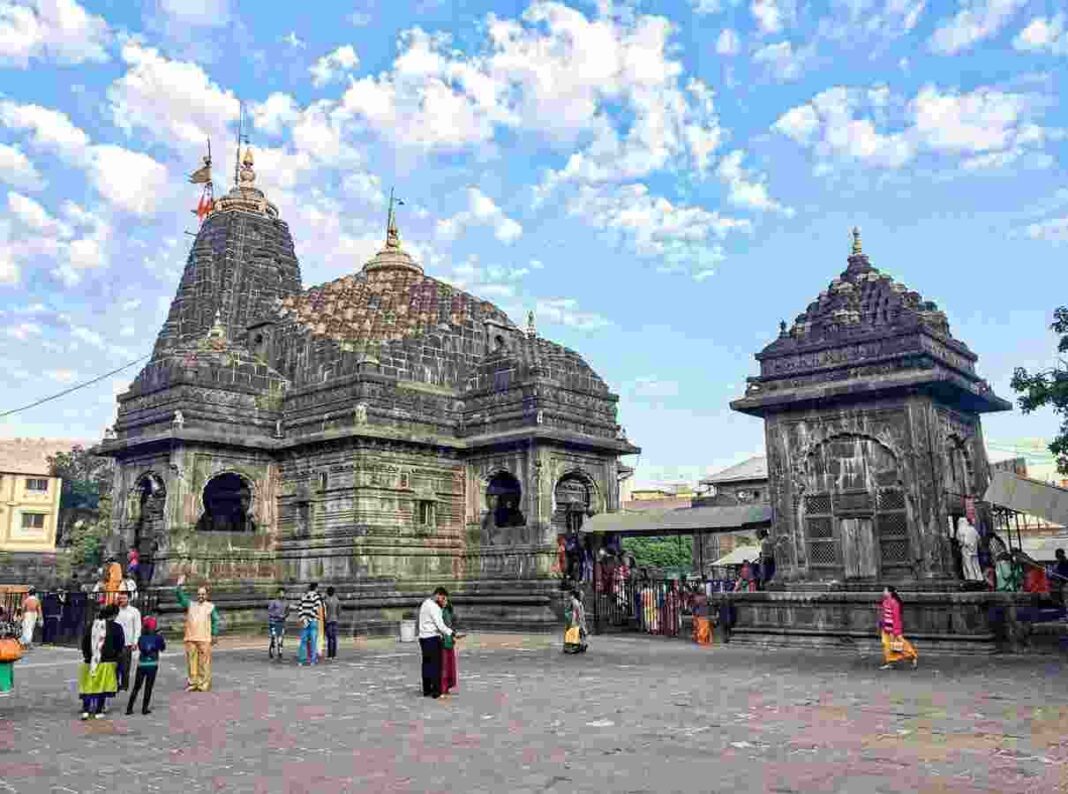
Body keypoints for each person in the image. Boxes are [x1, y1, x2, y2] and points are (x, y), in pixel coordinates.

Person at [78, 604, 124, 720]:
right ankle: (98, 710)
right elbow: (120, 645)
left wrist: (88, 656)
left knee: (89, 686)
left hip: (90, 661)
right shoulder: (116, 627)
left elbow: (84, 643)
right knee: (101, 687)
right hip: (107, 661)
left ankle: (86, 710)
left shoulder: (91, 626)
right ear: (114, 615)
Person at [175, 575, 219, 692]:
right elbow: (180, 598)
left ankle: (203, 683)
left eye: (203, 594)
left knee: (204, 663)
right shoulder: (190, 605)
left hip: (204, 638)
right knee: (191, 662)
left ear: (207, 595)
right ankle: (193, 682)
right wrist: (179, 586)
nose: (201, 596)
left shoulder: (211, 607)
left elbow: (216, 621)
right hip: (191, 637)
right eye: (199, 594)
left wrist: (214, 634)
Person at [417, 587, 453, 699]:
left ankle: (426, 689)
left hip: (423, 637)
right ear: (438, 595)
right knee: (436, 665)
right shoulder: (434, 607)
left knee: (426, 664)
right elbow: (440, 625)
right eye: (443, 597)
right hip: (432, 637)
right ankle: (436, 691)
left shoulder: (425, 603)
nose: (443, 600)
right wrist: (452, 633)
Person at [126, 616, 166, 716]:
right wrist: (160, 638)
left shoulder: (141, 638)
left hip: (142, 664)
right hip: (152, 665)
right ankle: (144, 709)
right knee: (148, 687)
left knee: (136, 687)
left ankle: (129, 708)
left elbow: (142, 647)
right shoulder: (158, 638)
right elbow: (162, 648)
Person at [878, 586, 918, 670]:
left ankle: (912, 655)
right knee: (887, 645)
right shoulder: (885, 602)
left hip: (893, 628)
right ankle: (889, 662)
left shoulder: (894, 603)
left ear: (890, 593)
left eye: (885, 591)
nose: (883, 592)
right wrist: (881, 624)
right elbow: (883, 615)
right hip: (886, 628)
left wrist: (895, 631)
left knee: (901, 644)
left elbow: (896, 618)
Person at [115, 591, 142, 692]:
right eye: (120, 598)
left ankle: (124, 685)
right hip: (116, 642)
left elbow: (137, 627)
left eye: (124, 598)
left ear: (129, 599)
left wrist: (135, 641)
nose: (121, 600)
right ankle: (115, 684)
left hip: (127, 642)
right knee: (115, 666)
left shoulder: (134, 612)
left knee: (125, 667)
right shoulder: (116, 610)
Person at [297, 583, 323, 666]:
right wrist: (308, 619)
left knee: (303, 641)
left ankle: (301, 660)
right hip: (312, 621)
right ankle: (312, 660)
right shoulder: (317, 597)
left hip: (304, 621)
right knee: (313, 641)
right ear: (315, 588)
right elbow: (315, 609)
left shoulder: (303, 596)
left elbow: (300, 609)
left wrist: (303, 619)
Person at [440, 594, 460, 696]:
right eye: (442, 600)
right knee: (443, 665)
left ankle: (447, 685)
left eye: (445, 600)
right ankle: (442, 687)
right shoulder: (437, 612)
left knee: (449, 664)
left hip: (449, 640)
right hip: (441, 640)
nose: (444, 602)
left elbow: (452, 625)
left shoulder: (449, 612)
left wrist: (455, 634)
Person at [0, 606, 20, 698]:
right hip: (5, 654)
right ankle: (4, 688)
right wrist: (17, 621)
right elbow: (18, 633)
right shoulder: (6, 625)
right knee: (5, 673)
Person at [563, 588, 588, 654]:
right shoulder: (575, 602)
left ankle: (578, 646)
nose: (569, 597)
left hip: (575, 620)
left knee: (576, 633)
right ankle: (572, 647)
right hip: (573, 620)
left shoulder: (576, 602)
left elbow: (576, 613)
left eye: (570, 595)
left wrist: (575, 620)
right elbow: (574, 612)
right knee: (573, 633)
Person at [267, 588, 289, 660]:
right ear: (277, 594)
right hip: (273, 622)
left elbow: (287, 612)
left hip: (281, 622)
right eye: (280, 593)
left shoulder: (286, 602)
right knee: (273, 638)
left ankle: (280, 652)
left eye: (283, 593)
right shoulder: (273, 602)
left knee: (280, 639)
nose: (281, 594)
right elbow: (270, 612)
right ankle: (272, 652)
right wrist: (277, 615)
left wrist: (285, 615)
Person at [323, 586, 341, 660]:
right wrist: (336, 617)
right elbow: (339, 611)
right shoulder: (337, 600)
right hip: (335, 620)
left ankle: (330, 655)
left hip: (328, 621)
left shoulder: (326, 601)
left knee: (329, 638)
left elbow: (324, 612)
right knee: (334, 638)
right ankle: (334, 655)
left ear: (327, 592)